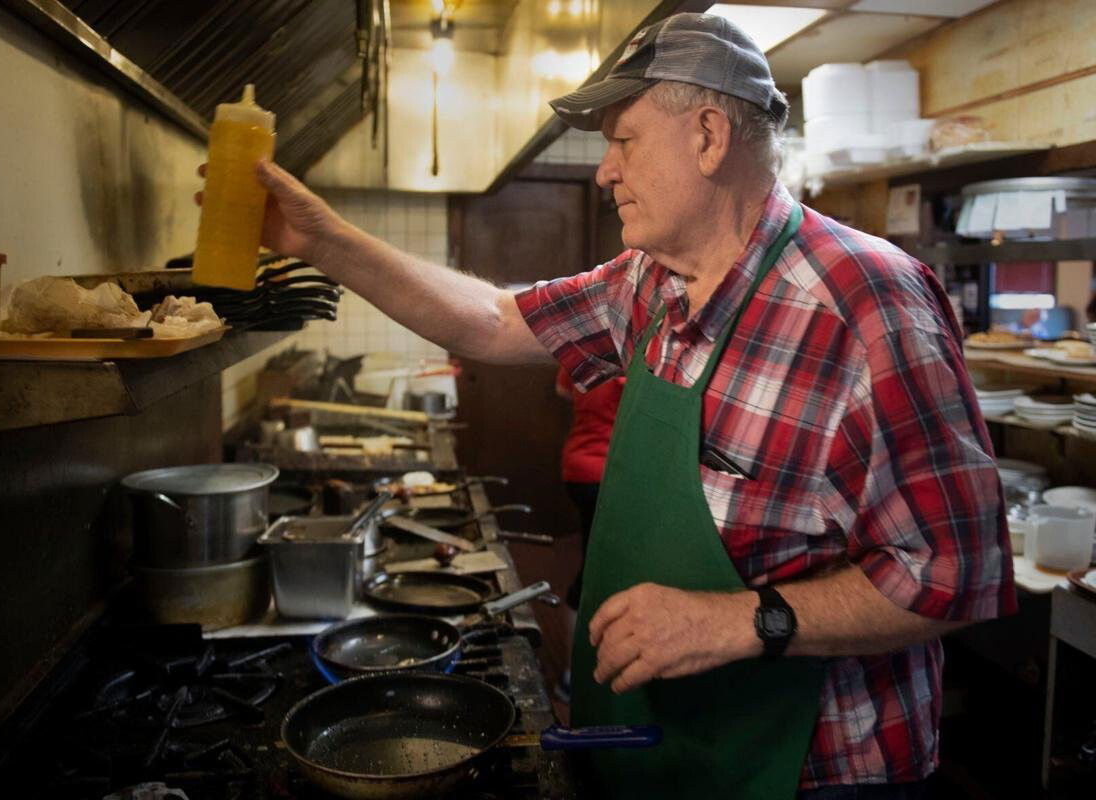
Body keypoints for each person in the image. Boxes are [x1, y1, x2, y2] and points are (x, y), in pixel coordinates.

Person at [203, 13, 1015, 798]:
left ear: (706, 135)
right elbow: (489, 320)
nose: (604, 170)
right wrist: (322, 240)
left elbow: (955, 572)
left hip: (816, 771)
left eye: (622, 141)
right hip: (663, 747)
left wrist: (741, 621)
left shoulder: (868, 301)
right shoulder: (648, 284)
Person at [555, 365, 625, 703]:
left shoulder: (581, 353)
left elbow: (563, 390)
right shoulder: (633, 362)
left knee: (591, 564)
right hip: (608, 475)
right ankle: (575, 678)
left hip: (577, 468)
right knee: (595, 575)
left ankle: (575, 674)